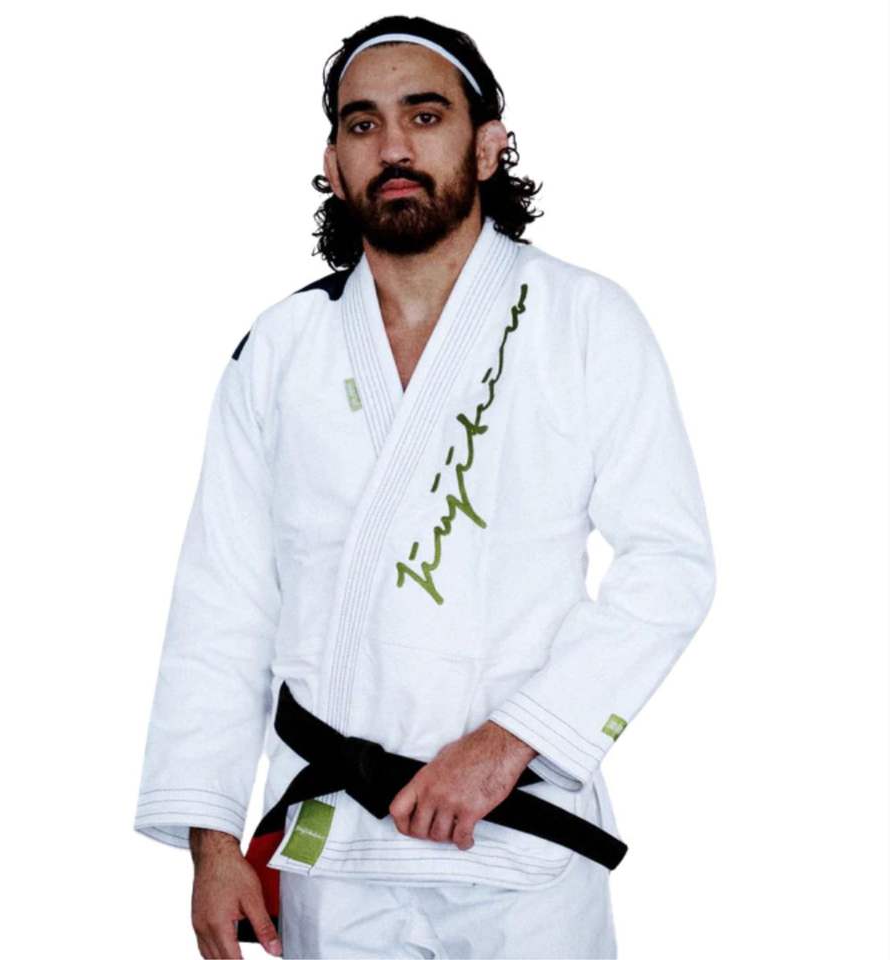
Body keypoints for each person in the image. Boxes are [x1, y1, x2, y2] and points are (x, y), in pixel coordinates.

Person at [133, 14, 717, 960]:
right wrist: (212, 841)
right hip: (335, 846)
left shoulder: (583, 320)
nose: (393, 147)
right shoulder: (280, 350)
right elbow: (223, 600)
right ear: (333, 163)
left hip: (519, 837)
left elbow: (670, 564)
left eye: (425, 115)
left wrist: (513, 740)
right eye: (362, 124)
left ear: (487, 147)